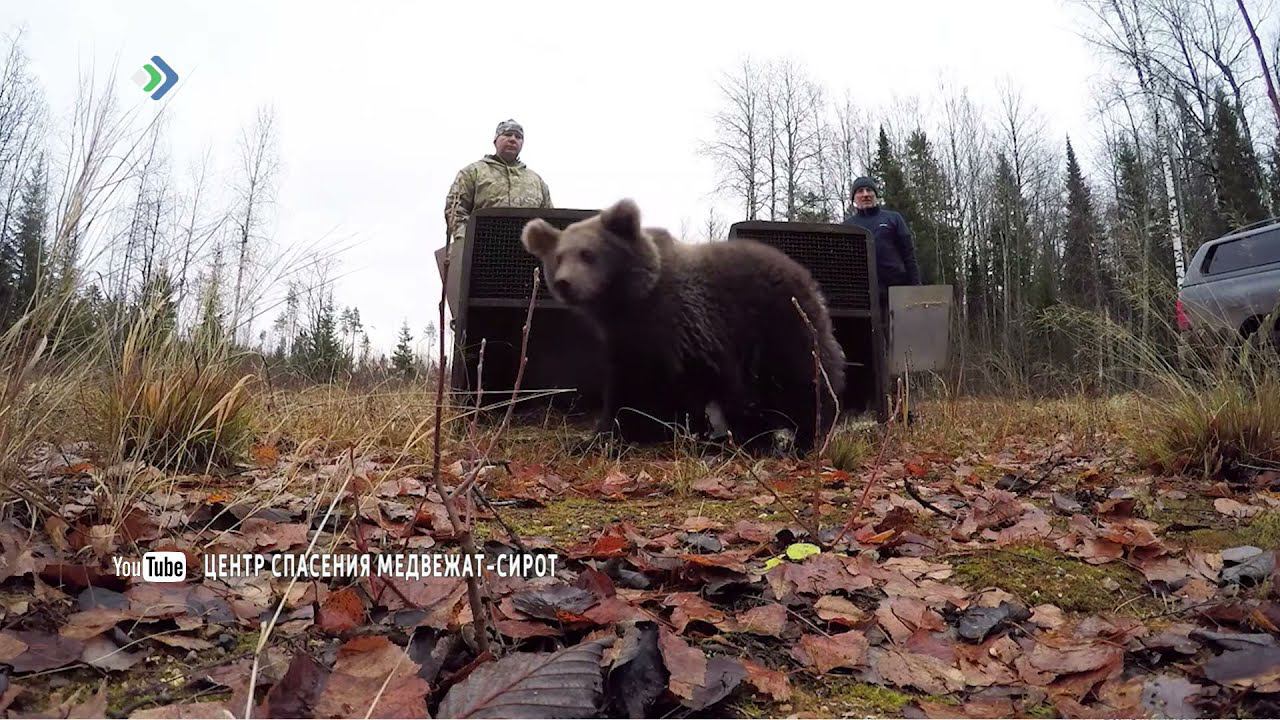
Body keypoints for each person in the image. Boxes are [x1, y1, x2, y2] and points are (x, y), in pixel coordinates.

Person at [442, 119, 553, 247]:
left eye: (518, 137)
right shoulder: (473, 172)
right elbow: (455, 210)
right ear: (495, 140)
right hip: (484, 250)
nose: (513, 139)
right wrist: (467, 242)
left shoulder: (536, 181)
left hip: (527, 254)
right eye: (507, 134)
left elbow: (549, 219)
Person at [841, 176, 921, 328]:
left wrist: (915, 287)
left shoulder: (893, 219)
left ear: (875, 195)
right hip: (863, 296)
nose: (865, 194)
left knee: (901, 341)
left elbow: (909, 255)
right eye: (860, 191)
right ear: (854, 198)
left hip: (897, 292)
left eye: (869, 190)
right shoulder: (848, 226)